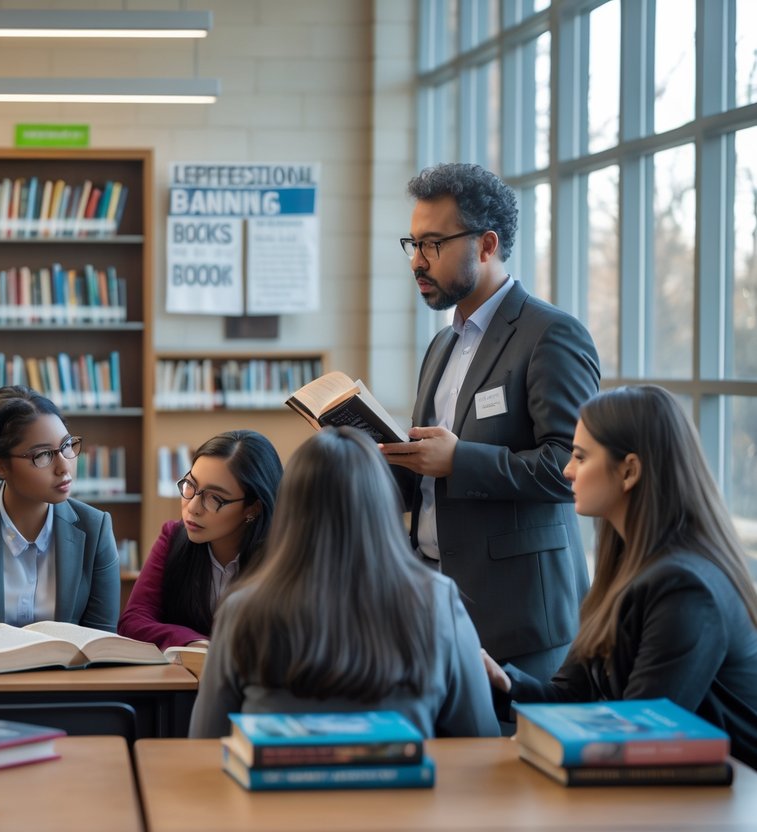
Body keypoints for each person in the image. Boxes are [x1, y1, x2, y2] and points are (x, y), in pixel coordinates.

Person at [380, 162, 600, 681]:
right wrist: (379, 455)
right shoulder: (441, 344)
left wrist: (459, 460)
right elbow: (430, 476)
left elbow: (570, 466)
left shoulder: (552, 335)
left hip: (521, 620)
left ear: (486, 245)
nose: (417, 261)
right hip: (435, 603)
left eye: (432, 244)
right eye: (412, 244)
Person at [482, 385, 757, 768]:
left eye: (580, 456)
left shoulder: (686, 588)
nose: (567, 470)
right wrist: (498, 681)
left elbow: (637, 737)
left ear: (628, 471)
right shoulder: (628, 564)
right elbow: (572, 698)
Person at [189, 427, 498, 739]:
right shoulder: (437, 601)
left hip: (280, 787)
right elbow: (480, 737)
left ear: (290, 509)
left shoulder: (242, 609)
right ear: (382, 504)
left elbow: (205, 741)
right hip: (402, 786)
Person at [0, 385, 119, 634]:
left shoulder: (95, 528)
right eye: (44, 455)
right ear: (1, 467)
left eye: (67, 446)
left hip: (70, 674)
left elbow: (100, 640)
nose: (64, 466)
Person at [119, 430, 282, 649]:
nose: (193, 508)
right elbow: (133, 620)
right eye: (190, 485)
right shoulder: (173, 537)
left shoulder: (283, 555)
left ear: (252, 508)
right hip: (182, 680)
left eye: (215, 498)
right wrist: (194, 643)